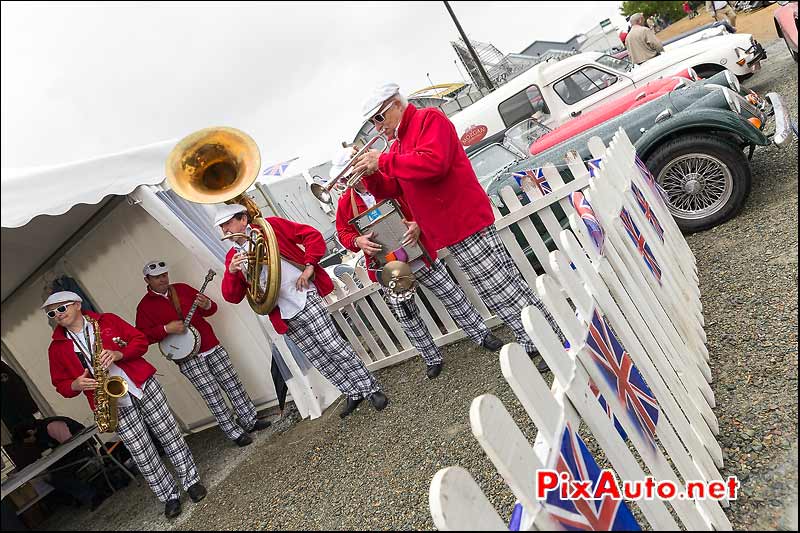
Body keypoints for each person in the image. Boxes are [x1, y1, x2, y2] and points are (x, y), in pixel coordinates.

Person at [351, 83, 566, 373]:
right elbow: (394, 189)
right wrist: (371, 177)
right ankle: (532, 340)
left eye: (378, 118)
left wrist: (385, 160)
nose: (377, 129)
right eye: (372, 123)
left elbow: (434, 163)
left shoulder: (429, 119)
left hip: (464, 220)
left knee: (505, 288)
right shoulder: (398, 144)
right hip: (452, 228)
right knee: (494, 292)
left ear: (396, 105)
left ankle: (553, 339)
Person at [331, 147, 505, 379]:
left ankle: (481, 334)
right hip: (389, 265)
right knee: (406, 315)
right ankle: (431, 357)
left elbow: (418, 200)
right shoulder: (345, 203)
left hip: (417, 251)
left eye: (347, 173)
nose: (346, 180)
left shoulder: (388, 178)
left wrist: (418, 222)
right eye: (343, 176)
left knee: (451, 295)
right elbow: (342, 232)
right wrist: (357, 240)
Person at [216, 204, 390, 419]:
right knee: (318, 356)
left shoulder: (270, 227)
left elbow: (311, 235)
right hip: (282, 312)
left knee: (333, 346)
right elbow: (231, 297)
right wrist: (232, 272)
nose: (225, 230)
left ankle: (370, 388)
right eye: (221, 227)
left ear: (243, 219)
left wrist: (309, 267)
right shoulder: (233, 257)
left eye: (227, 224)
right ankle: (352, 391)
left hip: (304, 295)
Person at [44, 291, 205, 519]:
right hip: (112, 402)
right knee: (141, 453)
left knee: (170, 435)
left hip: (141, 385)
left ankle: (192, 482)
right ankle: (169, 496)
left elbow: (140, 341)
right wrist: (76, 384)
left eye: (62, 308)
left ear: (78, 305)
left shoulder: (107, 321)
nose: (57, 315)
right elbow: (60, 385)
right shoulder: (57, 348)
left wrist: (119, 353)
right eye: (52, 313)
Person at [135, 260, 272, 448]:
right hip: (186, 357)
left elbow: (212, 309)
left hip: (209, 344)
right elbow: (141, 337)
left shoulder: (182, 289)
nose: (163, 279)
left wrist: (207, 304)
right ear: (147, 280)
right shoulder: (144, 307)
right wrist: (165, 329)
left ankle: (250, 419)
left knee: (232, 383)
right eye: (157, 277)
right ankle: (234, 432)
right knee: (212, 394)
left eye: (164, 275)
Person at [9, 416, 108, 511]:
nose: (29, 443)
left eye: (27, 440)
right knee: (50, 475)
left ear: (30, 432)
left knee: (56, 477)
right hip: (73, 454)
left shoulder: (51, 426)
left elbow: (73, 445)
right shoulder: (40, 433)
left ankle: (91, 496)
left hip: (84, 450)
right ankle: (81, 496)